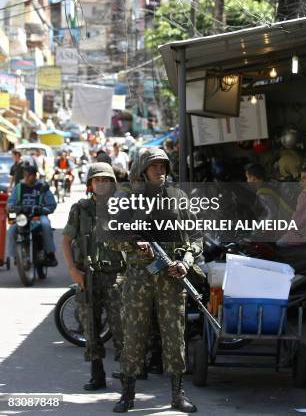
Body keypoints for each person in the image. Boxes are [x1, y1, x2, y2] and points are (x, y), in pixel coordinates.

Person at [112, 147, 201, 414]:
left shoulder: (178, 198)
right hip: (139, 278)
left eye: (163, 166)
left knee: (174, 335)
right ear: (143, 169)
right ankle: (128, 394)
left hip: (172, 278)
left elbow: (196, 237)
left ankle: (177, 394)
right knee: (134, 335)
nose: (160, 171)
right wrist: (134, 243)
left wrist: (185, 262)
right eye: (154, 166)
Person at [62, 162, 125, 391]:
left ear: (113, 183)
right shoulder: (80, 209)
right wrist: (73, 270)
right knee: (90, 327)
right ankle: (97, 374)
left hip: (117, 276)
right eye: (97, 180)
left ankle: (127, 377)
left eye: (106, 180)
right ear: (90, 184)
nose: (102, 184)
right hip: (88, 277)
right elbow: (66, 241)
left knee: (122, 327)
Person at [7, 162, 58, 266]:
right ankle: (16, 256)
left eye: (28, 175)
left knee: (46, 225)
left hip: (38, 216)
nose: (26, 177)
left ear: (35, 176)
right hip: (23, 216)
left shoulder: (42, 187)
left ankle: (50, 254)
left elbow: (52, 204)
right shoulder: (19, 187)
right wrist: (11, 207)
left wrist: (43, 210)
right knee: (12, 229)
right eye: (25, 175)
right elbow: (11, 201)